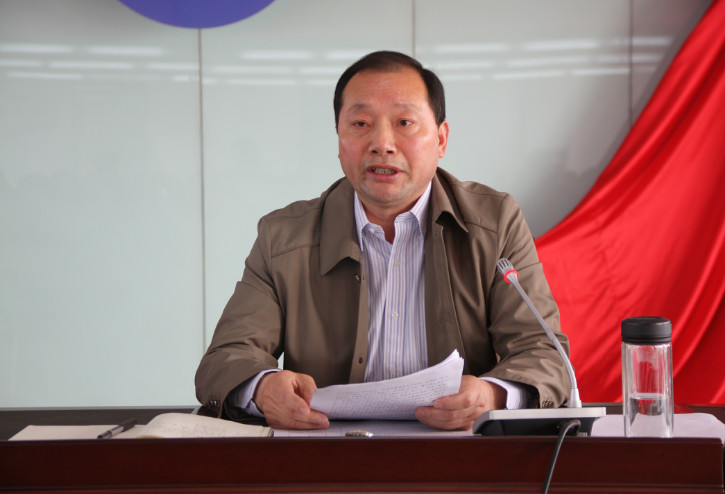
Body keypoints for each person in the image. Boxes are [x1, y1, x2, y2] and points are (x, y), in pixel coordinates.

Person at [195, 50, 570, 431]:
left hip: (457, 454)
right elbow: (225, 359)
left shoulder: (495, 222)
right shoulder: (283, 237)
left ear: (441, 139)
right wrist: (262, 389)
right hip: (323, 455)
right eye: (360, 124)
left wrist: (492, 396)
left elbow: (545, 354)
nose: (382, 143)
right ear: (339, 140)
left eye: (404, 122)